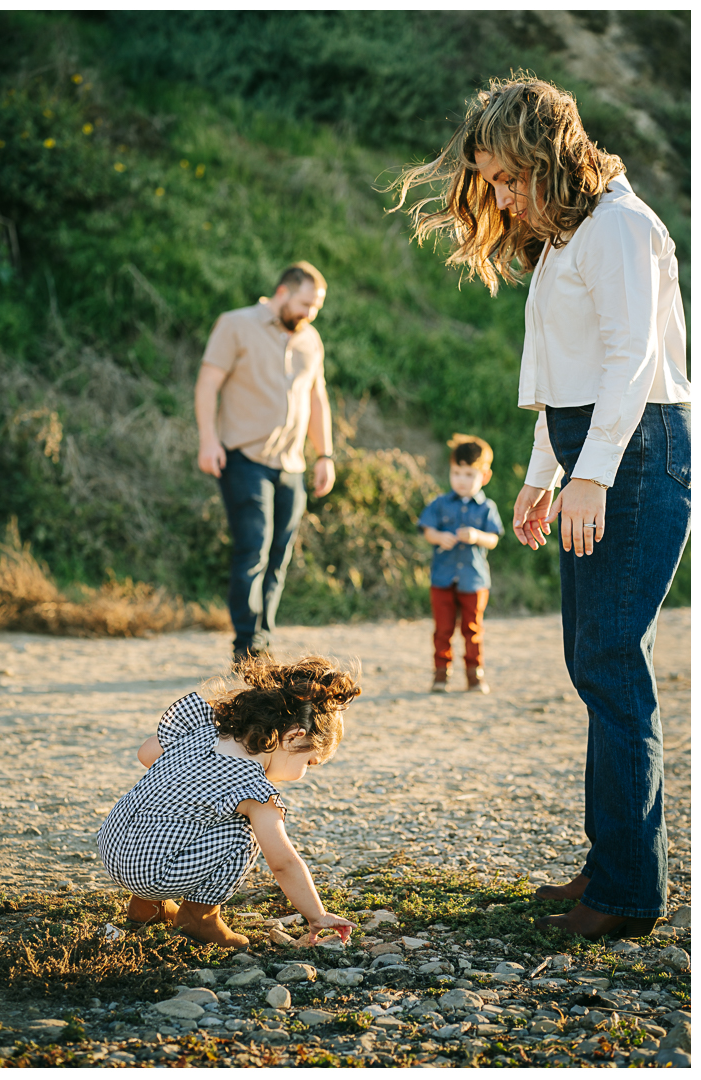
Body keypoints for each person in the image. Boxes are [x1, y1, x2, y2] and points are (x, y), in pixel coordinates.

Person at [392, 76, 690, 940]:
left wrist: (590, 474)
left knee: (611, 663)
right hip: (599, 448)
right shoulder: (568, 237)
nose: (500, 196)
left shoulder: (622, 226)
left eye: (509, 177)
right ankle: (613, 863)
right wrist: (541, 474)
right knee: (592, 660)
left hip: (641, 453)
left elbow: (631, 363)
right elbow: (567, 379)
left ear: (551, 158)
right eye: (491, 180)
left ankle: (631, 893)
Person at [98, 656, 360, 948]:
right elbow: (283, 862)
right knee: (247, 830)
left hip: (113, 842)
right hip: (150, 871)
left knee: (170, 817)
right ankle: (199, 917)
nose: (302, 773)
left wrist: (184, 786)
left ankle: (146, 906)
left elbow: (146, 754)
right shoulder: (253, 788)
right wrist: (317, 914)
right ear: (293, 738)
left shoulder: (206, 728)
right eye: (309, 762)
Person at [195, 262, 335, 662]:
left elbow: (316, 399)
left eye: (317, 307)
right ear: (283, 292)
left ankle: (264, 639)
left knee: (280, 554)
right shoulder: (235, 324)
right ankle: (246, 644)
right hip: (243, 456)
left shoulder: (310, 339)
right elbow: (208, 383)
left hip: (291, 464)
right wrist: (208, 440)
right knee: (253, 548)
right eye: (306, 304)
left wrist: (324, 454)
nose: (311, 313)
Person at [418, 433, 503, 695]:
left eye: (469, 474)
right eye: (456, 473)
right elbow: (426, 529)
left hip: (474, 580)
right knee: (442, 630)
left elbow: (494, 539)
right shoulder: (440, 503)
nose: (461, 480)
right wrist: (438, 537)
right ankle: (441, 674)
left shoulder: (487, 507)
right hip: (442, 578)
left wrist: (477, 536)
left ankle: (474, 675)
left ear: (484, 476)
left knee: (472, 630)